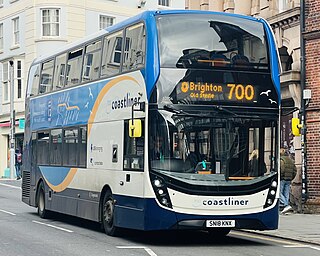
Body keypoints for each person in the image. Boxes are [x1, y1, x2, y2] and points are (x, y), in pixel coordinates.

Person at [280, 148, 297, 214]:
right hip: (289, 179)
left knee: (279, 193)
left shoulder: (281, 160)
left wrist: (280, 177)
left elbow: (282, 169)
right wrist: (291, 177)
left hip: (282, 179)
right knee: (286, 193)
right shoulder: (291, 160)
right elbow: (295, 170)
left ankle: (286, 205)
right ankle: (286, 208)